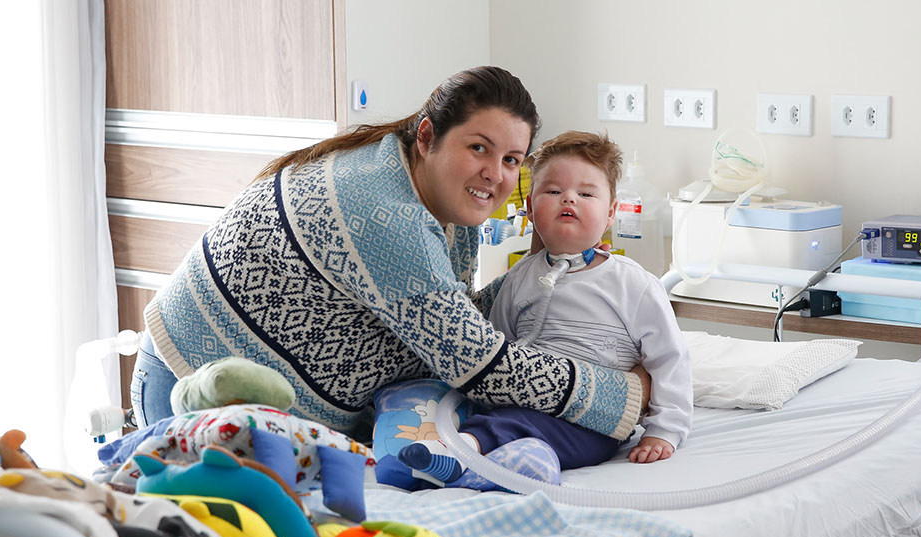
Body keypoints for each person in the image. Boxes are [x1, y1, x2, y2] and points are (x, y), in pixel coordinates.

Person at [131, 67, 649, 448]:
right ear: (427, 137)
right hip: (196, 385)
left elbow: (448, 314)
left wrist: (549, 273)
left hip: (266, 405)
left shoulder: (440, 202)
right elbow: (479, 364)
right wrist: (629, 393)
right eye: (479, 148)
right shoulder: (385, 215)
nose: (495, 173)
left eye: (511, 159)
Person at [394, 130, 691, 490]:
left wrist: (664, 430)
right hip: (522, 403)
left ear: (611, 212)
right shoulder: (519, 278)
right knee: (498, 418)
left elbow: (670, 359)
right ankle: (486, 461)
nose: (569, 198)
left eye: (586, 193)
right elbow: (495, 347)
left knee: (514, 428)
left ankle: (461, 452)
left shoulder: (634, 284)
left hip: (591, 421)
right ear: (531, 210)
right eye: (553, 191)